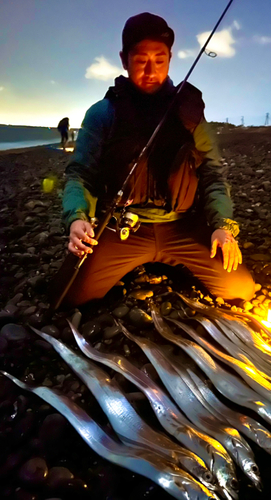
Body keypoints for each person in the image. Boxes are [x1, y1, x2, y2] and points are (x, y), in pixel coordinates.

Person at [61, 12, 255, 306]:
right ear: (124, 59)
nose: (151, 70)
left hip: (182, 227)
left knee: (240, 289)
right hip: (123, 228)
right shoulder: (102, 113)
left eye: (160, 60)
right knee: (69, 295)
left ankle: (170, 261)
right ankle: (142, 261)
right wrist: (77, 218)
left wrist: (222, 226)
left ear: (170, 58)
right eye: (140, 61)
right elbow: (80, 174)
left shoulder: (190, 114)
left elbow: (213, 173)